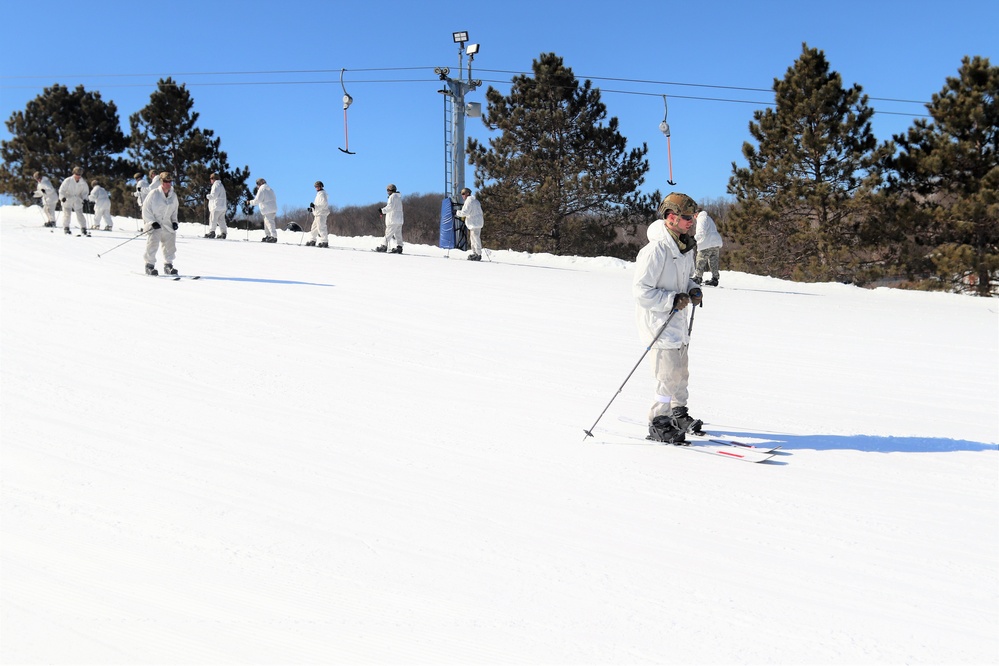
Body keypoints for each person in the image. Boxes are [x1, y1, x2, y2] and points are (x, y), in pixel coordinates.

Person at [633, 192, 705, 444]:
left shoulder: (683, 247)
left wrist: (693, 288)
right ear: (671, 217)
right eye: (687, 217)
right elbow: (641, 291)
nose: (691, 221)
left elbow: (682, 280)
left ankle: (678, 412)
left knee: (681, 373)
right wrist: (671, 299)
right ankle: (658, 422)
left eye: (693, 217)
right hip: (659, 325)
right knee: (666, 376)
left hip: (678, 323)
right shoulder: (655, 250)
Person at [141, 172, 180, 276]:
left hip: (167, 224)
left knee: (170, 245)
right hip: (155, 224)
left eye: (170, 181)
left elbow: (175, 211)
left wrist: (174, 222)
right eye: (166, 181)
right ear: (161, 182)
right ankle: (149, 265)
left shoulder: (173, 196)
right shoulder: (154, 193)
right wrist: (152, 222)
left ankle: (168, 265)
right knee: (153, 244)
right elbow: (146, 209)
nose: (168, 184)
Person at [693, 208, 723, 286]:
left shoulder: (701, 218)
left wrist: (693, 239)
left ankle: (698, 277)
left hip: (706, 242)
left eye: (693, 215)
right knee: (714, 261)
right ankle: (715, 278)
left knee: (700, 260)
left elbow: (701, 232)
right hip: (715, 242)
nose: (693, 217)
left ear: (696, 213)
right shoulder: (708, 218)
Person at [58, 166, 90, 236]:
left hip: (77, 200)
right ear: (73, 173)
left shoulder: (83, 182)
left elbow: (85, 192)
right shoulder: (68, 180)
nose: (78, 176)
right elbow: (61, 190)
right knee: (67, 214)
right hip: (67, 199)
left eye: (79, 175)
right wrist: (62, 197)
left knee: (80, 214)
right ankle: (66, 228)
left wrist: (85, 199)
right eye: (77, 174)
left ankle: (83, 228)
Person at [455, 187, 484, 261]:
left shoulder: (469, 201)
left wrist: (456, 212)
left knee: (475, 238)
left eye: (463, 194)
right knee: (473, 238)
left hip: (474, 223)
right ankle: (475, 253)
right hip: (476, 222)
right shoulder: (475, 200)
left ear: (467, 193)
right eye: (462, 194)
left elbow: (465, 212)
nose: (462, 196)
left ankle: (478, 254)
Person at [376, 183, 404, 253]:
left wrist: (382, 211)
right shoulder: (398, 197)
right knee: (398, 234)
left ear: (390, 190)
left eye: (387, 190)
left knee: (388, 233)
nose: (387, 192)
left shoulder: (392, 197)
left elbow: (390, 207)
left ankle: (383, 246)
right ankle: (399, 247)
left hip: (393, 219)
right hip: (399, 219)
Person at [250, 178, 278, 243]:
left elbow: (257, 200)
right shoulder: (270, 189)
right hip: (272, 208)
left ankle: (274, 237)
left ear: (260, 183)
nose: (257, 186)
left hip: (267, 209)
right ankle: (268, 236)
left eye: (257, 184)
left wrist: (250, 202)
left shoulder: (262, 189)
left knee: (269, 222)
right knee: (267, 223)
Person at [306, 180, 330, 248]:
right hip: (317, 213)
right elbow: (317, 204)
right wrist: (312, 208)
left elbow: (323, 204)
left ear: (321, 186)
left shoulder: (322, 194)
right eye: (316, 187)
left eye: (318, 186)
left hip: (321, 214)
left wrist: (314, 206)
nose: (317, 188)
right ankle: (312, 240)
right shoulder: (319, 194)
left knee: (321, 227)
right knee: (314, 228)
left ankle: (324, 241)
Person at [205, 172, 228, 239]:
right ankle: (223, 233)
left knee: (213, 219)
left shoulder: (215, 185)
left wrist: (207, 196)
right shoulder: (221, 185)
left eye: (211, 178)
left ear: (213, 179)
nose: (210, 180)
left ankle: (212, 232)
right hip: (222, 206)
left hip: (216, 206)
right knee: (221, 220)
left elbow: (214, 196)